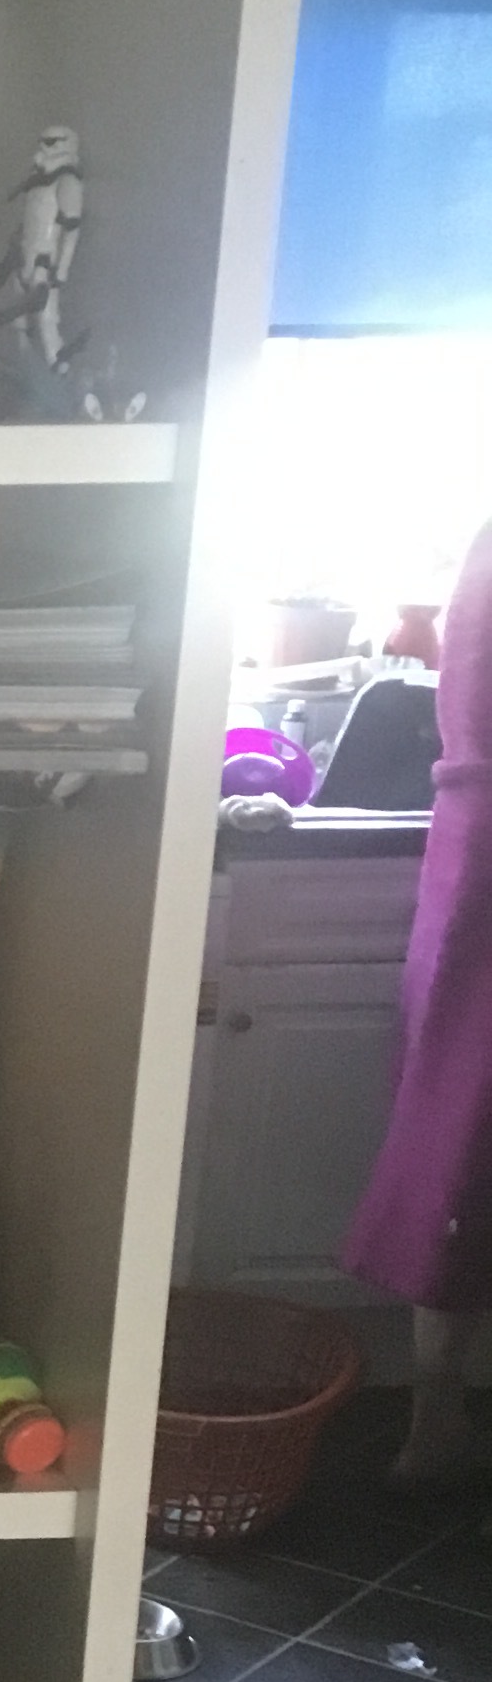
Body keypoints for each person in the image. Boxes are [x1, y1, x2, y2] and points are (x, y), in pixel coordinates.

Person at [344, 517, 492, 1484]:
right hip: (479, 852)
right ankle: (436, 1426)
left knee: (455, 1149)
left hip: (472, 853)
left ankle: (435, 1422)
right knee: (460, 1151)